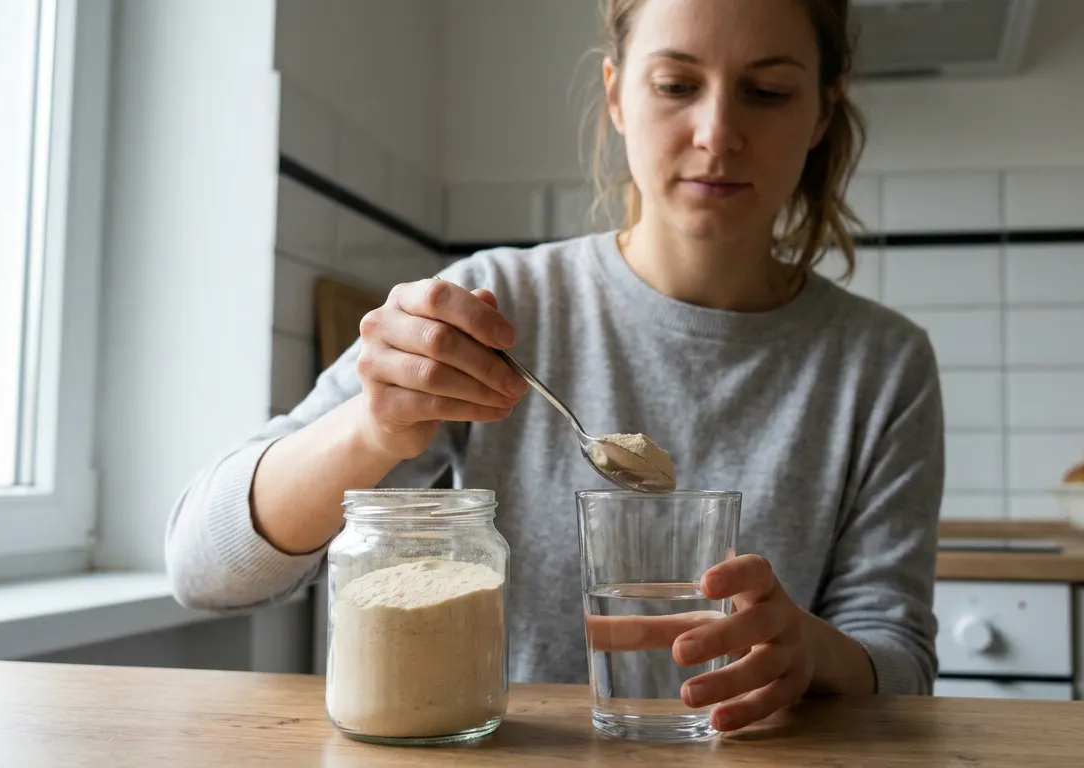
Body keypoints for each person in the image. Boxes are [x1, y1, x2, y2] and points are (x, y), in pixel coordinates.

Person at [166, 0, 944, 733]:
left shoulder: (881, 365)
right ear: (616, 95)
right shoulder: (494, 311)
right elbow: (204, 567)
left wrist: (812, 653)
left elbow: (899, 659)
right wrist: (373, 428)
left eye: (768, 92)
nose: (716, 131)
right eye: (676, 85)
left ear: (823, 110)